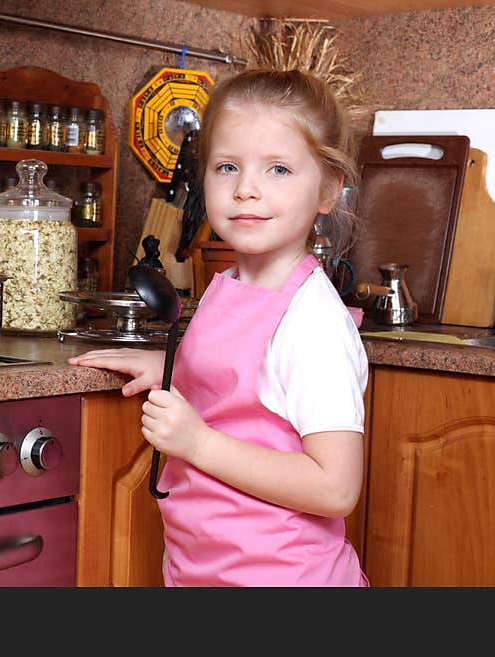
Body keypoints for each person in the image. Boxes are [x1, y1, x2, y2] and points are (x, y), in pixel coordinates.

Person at [69, 69, 369, 587]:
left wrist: (199, 445)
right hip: (206, 571)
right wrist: (170, 369)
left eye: (278, 169)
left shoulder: (313, 324)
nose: (246, 189)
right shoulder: (227, 284)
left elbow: (336, 488)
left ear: (328, 190)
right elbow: (242, 393)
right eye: (227, 166)